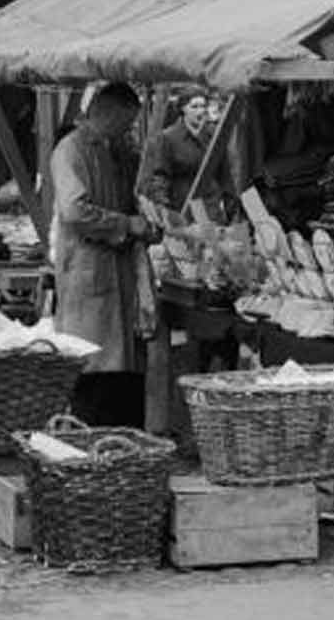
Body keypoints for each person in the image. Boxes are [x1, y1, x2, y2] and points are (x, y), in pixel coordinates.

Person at [51, 84, 156, 426]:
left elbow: (129, 202)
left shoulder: (117, 151)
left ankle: (122, 446)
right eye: (125, 124)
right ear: (107, 114)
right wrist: (127, 224)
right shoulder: (70, 150)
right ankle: (93, 450)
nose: (128, 132)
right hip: (88, 277)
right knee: (93, 370)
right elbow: (74, 211)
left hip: (117, 278)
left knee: (122, 375)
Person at [140, 90, 230, 219]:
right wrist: (164, 208)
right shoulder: (168, 137)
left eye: (203, 106)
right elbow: (160, 176)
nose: (200, 111)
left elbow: (224, 172)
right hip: (184, 207)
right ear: (183, 109)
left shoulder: (213, 135)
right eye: (194, 106)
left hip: (212, 207)